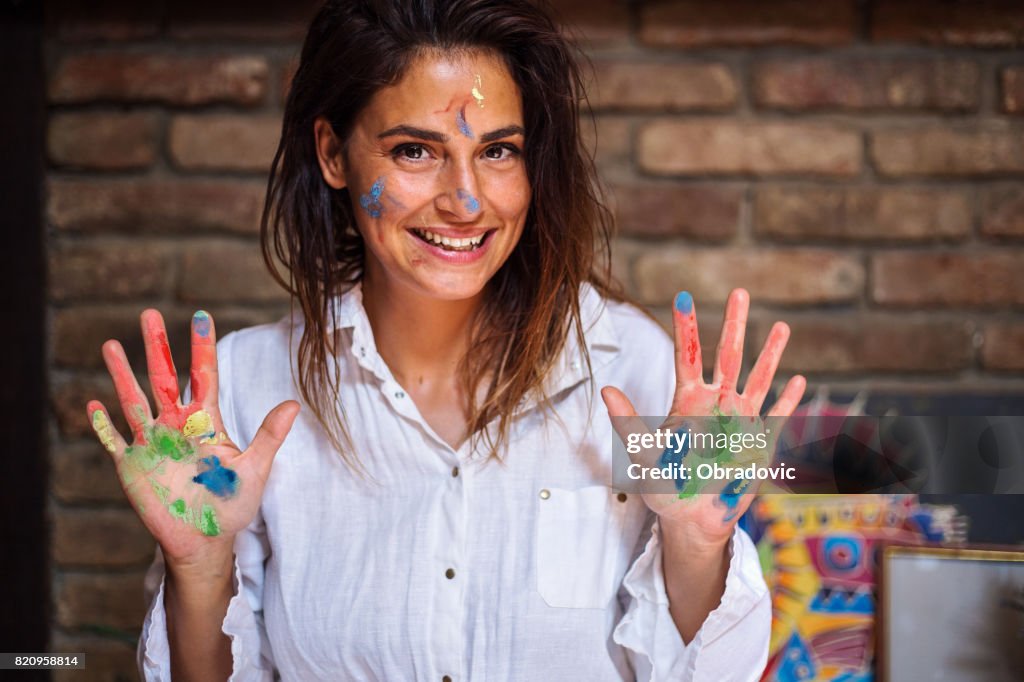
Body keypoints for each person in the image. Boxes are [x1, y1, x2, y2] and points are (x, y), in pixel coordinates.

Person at [86, 1, 806, 679]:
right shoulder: (248, 387)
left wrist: (697, 542)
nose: (465, 200)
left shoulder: (635, 363)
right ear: (334, 154)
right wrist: (200, 568)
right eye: (414, 152)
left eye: (497, 152)